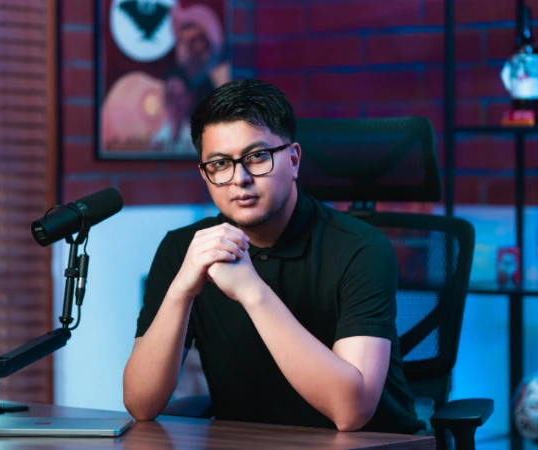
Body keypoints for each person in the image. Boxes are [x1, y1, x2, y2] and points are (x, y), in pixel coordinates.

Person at [122, 79, 426, 434]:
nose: (240, 178)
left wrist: (252, 291)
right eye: (220, 164)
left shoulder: (362, 248)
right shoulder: (186, 249)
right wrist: (181, 292)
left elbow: (351, 412)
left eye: (257, 157)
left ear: (294, 159)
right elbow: (141, 404)